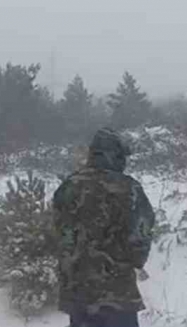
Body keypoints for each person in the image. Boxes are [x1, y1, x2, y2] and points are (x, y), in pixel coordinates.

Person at [53, 128, 156, 327]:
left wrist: (72, 264)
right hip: (117, 291)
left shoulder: (68, 186)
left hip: (77, 290)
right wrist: (135, 262)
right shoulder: (129, 188)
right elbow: (141, 234)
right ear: (114, 155)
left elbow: (61, 233)